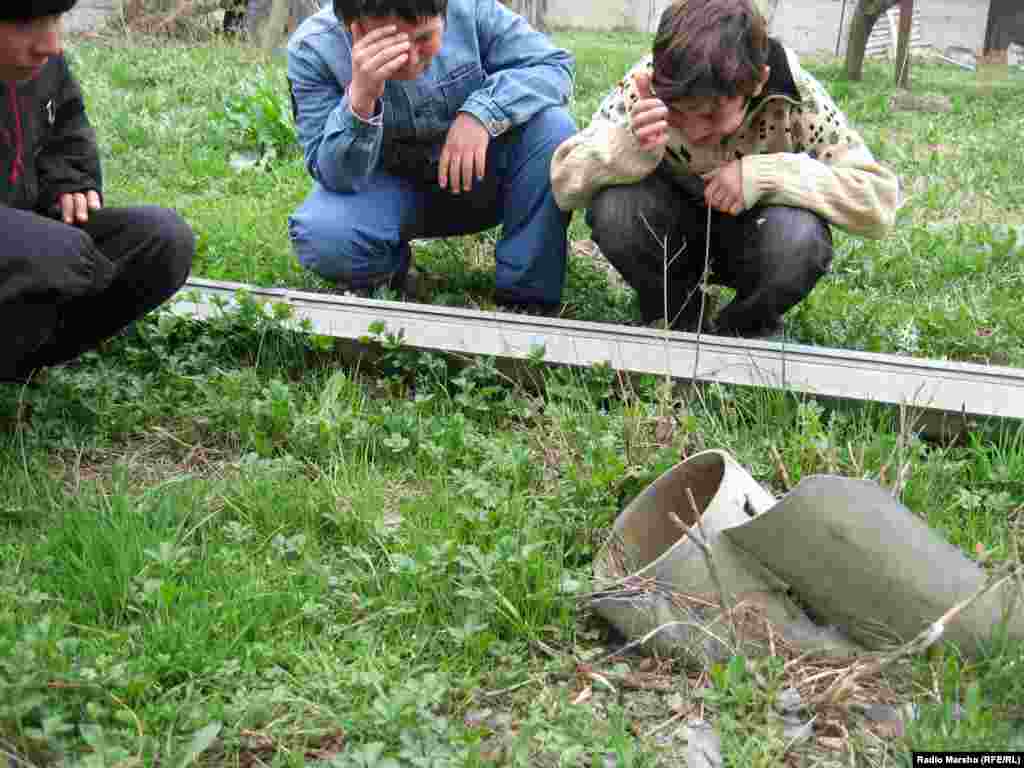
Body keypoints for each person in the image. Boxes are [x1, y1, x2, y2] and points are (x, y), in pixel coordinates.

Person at [550, 0, 900, 337]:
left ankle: (742, 327)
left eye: (712, 114)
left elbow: (878, 200)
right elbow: (564, 180)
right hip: (668, 231)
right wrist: (630, 149)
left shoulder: (796, 95)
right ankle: (678, 316)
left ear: (758, 81)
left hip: (756, 235)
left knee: (800, 238)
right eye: (679, 111)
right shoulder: (646, 87)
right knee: (617, 210)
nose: (695, 130)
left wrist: (765, 174)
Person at [286, 0, 576, 313]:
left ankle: (527, 300)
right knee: (324, 234)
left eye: (424, 39)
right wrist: (361, 99)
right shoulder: (312, 49)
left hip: (481, 178)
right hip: (386, 192)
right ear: (353, 28)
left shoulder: (473, 9)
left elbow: (553, 66)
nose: (410, 60)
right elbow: (333, 175)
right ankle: (390, 273)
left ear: (445, 13)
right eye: (391, 47)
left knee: (553, 128)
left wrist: (483, 113)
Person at [1, 0, 195, 383]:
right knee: (59, 256)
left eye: (55, 19)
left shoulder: (40, 65)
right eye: (26, 23)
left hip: (28, 244)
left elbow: (64, 122)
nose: (51, 45)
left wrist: (68, 176)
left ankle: (14, 363)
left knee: (161, 239)